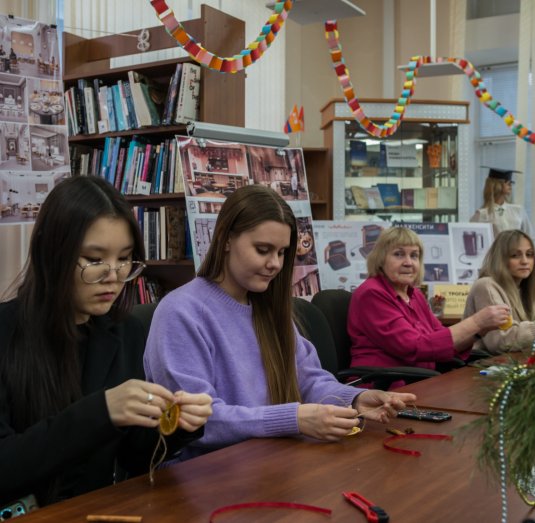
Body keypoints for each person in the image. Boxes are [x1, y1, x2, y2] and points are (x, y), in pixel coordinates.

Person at [144, 185, 416, 458]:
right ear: (226, 239)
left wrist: (355, 399)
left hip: (271, 458)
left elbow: (308, 380)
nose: (275, 263)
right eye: (263, 250)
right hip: (208, 470)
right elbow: (197, 422)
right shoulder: (181, 312)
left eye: (282, 252)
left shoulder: (269, 307)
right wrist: (293, 419)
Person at [0, 176, 212, 508]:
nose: (113, 275)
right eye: (94, 259)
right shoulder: (6, 332)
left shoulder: (125, 332)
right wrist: (102, 411)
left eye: (124, 258)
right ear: (50, 252)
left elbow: (134, 458)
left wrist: (180, 426)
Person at [348, 227, 510, 383]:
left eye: (414, 255)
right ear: (380, 259)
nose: (408, 262)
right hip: (383, 386)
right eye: (398, 254)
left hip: (418, 381)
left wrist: (479, 332)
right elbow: (413, 346)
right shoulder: (372, 293)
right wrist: (477, 322)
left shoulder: (415, 295)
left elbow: (441, 340)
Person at [462, 229, 535, 355]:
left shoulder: (528, 292)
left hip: (516, 361)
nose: (525, 261)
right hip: (482, 363)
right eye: (515, 255)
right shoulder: (486, 285)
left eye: (529, 254)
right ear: (500, 259)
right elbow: (502, 341)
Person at [470, 168, 533, 237]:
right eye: (506, 182)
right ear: (496, 184)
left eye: (511, 182)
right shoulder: (482, 214)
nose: (510, 185)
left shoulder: (518, 210)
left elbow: (529, 236)